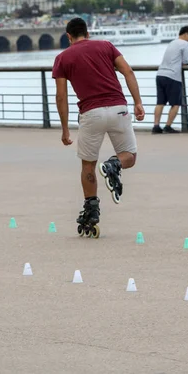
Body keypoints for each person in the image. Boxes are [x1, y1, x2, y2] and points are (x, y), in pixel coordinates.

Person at [52, 17, 145, 237]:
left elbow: (61, 97)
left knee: (88, 166)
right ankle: (114, 164)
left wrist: (65, 129)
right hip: (118, 108)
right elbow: (128, 72)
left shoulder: (62, 58)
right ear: (88, 32)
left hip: (90, 114)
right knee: (129, 156)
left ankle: (91, 209)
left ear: (68, 36)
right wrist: (138, 101)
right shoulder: (106, 46)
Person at [152, 26, 188, 134]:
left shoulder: (172, 42)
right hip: (172, 76)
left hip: (160, 74)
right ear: (186, 34)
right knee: (176, 104)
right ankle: (168, 126)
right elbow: (185, 61)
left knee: (160, 102)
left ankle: (156, 126)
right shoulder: (186, 44)